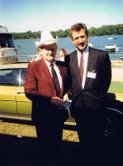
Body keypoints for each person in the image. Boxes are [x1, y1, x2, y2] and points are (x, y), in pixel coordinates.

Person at [65, 23, 112, 165]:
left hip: (97, 108)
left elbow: (106, 81)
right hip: (79, 108)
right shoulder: (68, 58)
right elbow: (67, 80)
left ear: (87, 36)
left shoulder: (101, 56)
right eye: (76, 38)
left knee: (99, 143)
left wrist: (97, 97)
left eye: (82, 36)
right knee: (84, 141)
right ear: (72, 40)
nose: (80, 41)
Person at [24, 30, 69, 166]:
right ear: (40, 51)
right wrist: (50, 99)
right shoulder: (34, 66)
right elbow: (29, 91)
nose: (50, 51)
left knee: (57, 146)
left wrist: (67, 93)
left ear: (55, 49)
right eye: (46, 49)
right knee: (45, 150)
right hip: (43, 116)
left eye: (52, 48)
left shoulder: (62, 67)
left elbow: (67, 86)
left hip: (59, 114)